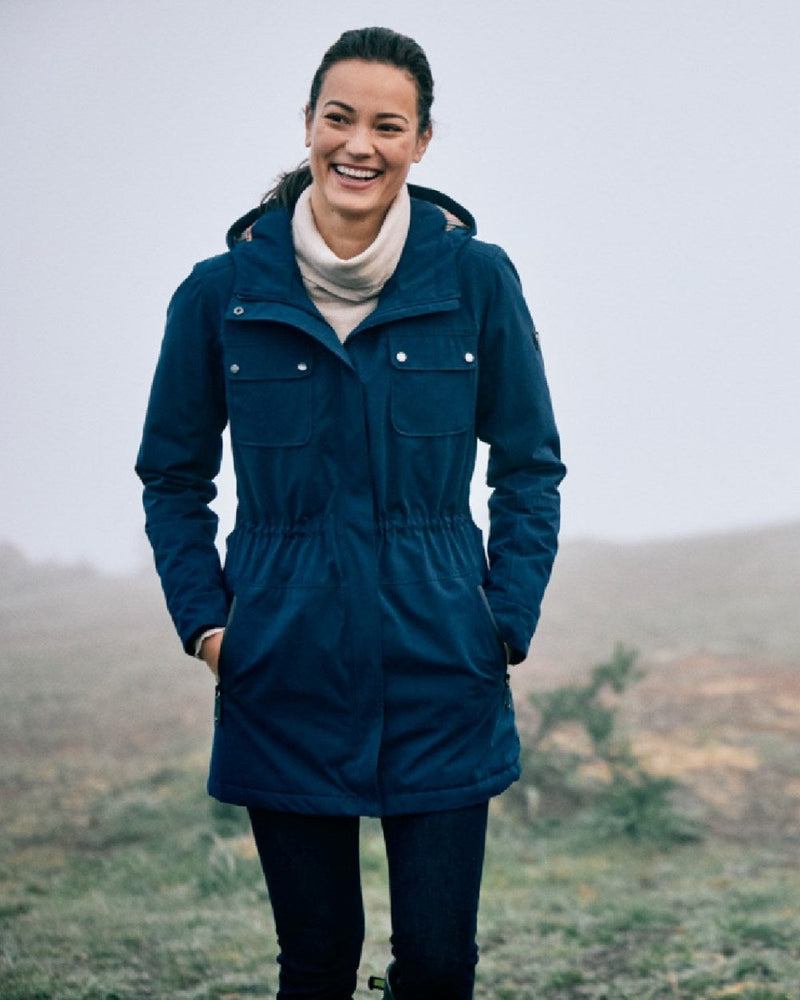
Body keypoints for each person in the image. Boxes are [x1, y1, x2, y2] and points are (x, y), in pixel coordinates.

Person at [136, 25, 565, 1000]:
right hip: (280, 660)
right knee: (316, 964)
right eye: (339, 118)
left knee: (439, 967)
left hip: (440, 659)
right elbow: (172, 476)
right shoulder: (221, 297)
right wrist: (208, 624)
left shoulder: (474, 281)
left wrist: (500, 620)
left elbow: (528, 463)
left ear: (419, 141)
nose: (358, 144)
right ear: (308, 126)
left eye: (387, 124)